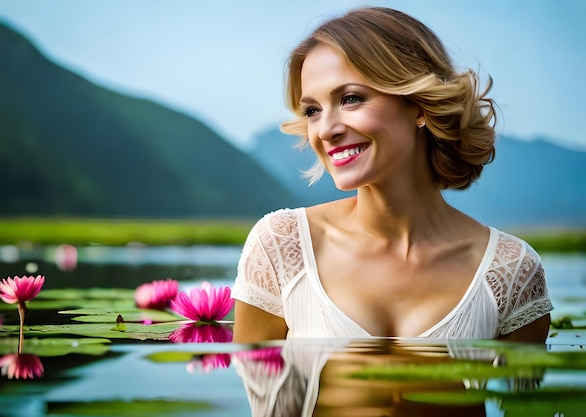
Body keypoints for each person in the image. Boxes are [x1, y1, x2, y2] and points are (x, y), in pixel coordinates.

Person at [231, 7, 553, 344]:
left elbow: (523, 395)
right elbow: (262, 391)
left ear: (418, 105)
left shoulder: (510, 269)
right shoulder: (281, 245)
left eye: (351, 98)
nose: (325, 130)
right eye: (313, 110)